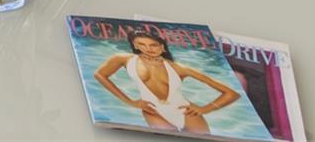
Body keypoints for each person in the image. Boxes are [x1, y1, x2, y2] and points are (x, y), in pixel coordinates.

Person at [94, 31, 243, 134]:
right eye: (142, 44)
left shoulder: (179, 68)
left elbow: (231, 93)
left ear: (162, 46)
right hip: (153, 112)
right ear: (135, 45)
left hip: (187, 113)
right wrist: (130, 102)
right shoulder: (123, 59)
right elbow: (100, 75)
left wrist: (206, 109)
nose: (148, 49)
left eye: (153, 45)